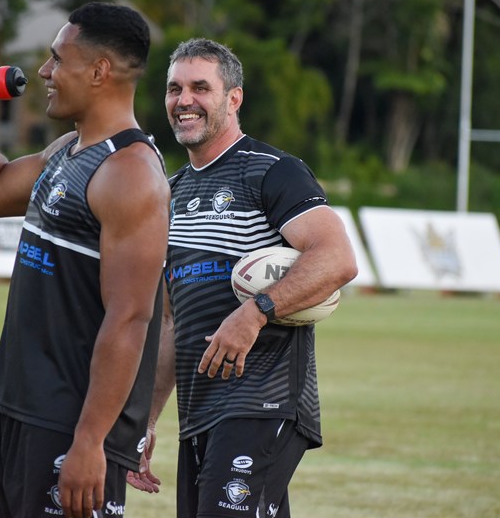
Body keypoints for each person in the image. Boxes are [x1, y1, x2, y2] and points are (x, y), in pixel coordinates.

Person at [0, 2, 170, 518]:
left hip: (72, 422)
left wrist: (89, 441)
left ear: (98, 71)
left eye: (56, 59)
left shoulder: (131, 174)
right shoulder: (68, 149)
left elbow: (130, 318)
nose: (44, 72)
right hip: (26, 407)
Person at [127, 38, 358, 517]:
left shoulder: (273, 172)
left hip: (263, 401)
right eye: (174, 88)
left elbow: (337, 258)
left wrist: (255, 312)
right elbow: (172, 323)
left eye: (200, 87)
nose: (183, 100)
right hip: (199, 411)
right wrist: (146, 420)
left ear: (233, 99)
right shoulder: (170, 192)